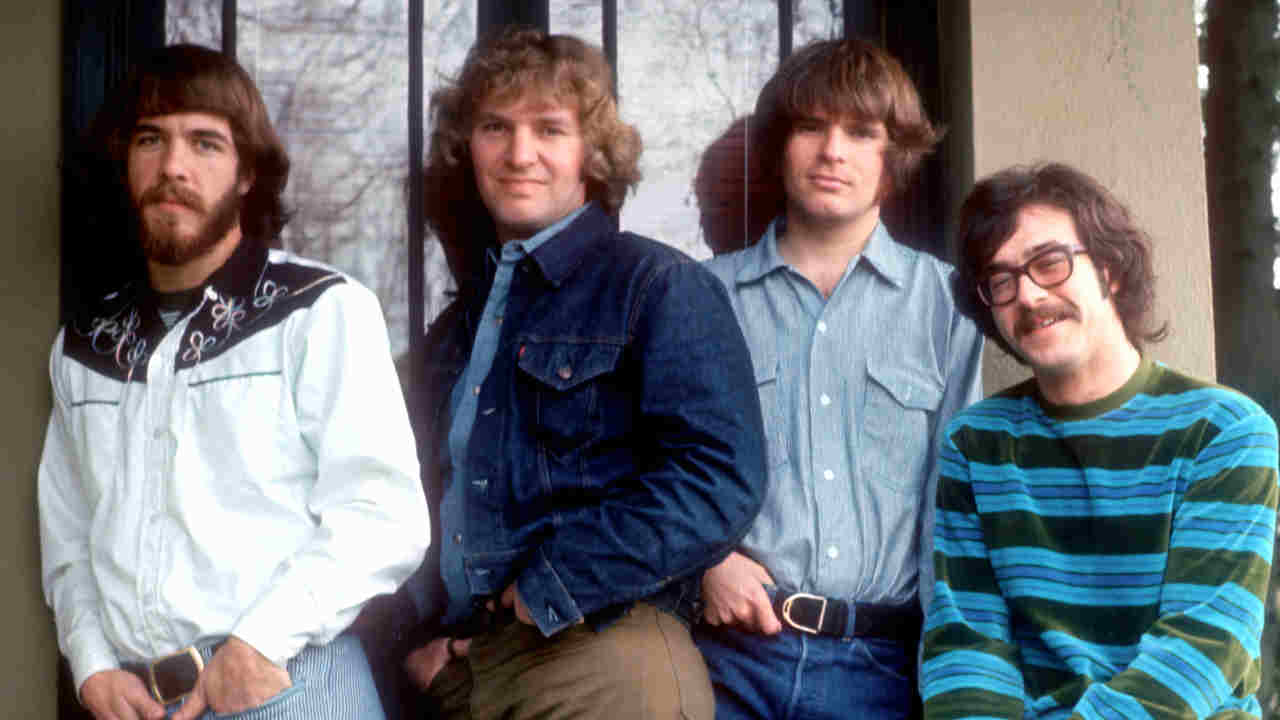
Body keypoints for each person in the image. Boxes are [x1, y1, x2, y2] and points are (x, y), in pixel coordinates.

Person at [38, 44, 428, 720]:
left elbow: (382, 515)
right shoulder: (83, 348)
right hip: (137, 703)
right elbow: (67, 541)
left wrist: (254, 645)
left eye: (206, 144)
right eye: (151, 140)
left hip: (287, 684)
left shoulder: (321, 311)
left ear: (248, 173)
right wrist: (92, 665)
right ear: (125, 163)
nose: (173, 167)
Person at [399, 28, 767, 719]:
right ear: (467, 146)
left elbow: (719, 476)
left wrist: (554, 583)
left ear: (591, 153)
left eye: (550, 129)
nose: (519, 154)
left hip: (600, 656)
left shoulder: (654, 285)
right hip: (468, 668)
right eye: (494, 128)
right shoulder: (458, 326)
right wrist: (415, 636)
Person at [922, 162, 1279, 719]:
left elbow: (1202, 652)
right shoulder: (977, 445)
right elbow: (967, 648)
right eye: (1002, 280)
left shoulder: (1226, 432)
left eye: (1050, 263)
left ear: (1110, 268)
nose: (1030, 295)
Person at [696, 36, 985, 720]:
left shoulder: (950, 307)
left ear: (896, 156)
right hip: (723, 659)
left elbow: (956, 515)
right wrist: (705, 562)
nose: (833, 151)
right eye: (811, 127)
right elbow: (652, 467)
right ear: (779, 145)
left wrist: (948, 685)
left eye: (861, 132)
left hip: (878, 669)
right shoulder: (703, 298)